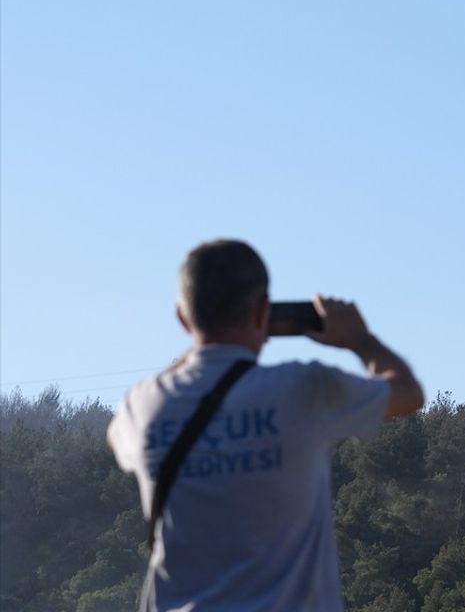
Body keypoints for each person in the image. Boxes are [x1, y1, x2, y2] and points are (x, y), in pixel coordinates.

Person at [107, 239, 424, 611]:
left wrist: (183, 366)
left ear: (182, 317)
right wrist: (359, 339)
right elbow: (407, 394)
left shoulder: (143, 405)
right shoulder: (303, 389)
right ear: (262, 312)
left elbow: (115, 438)